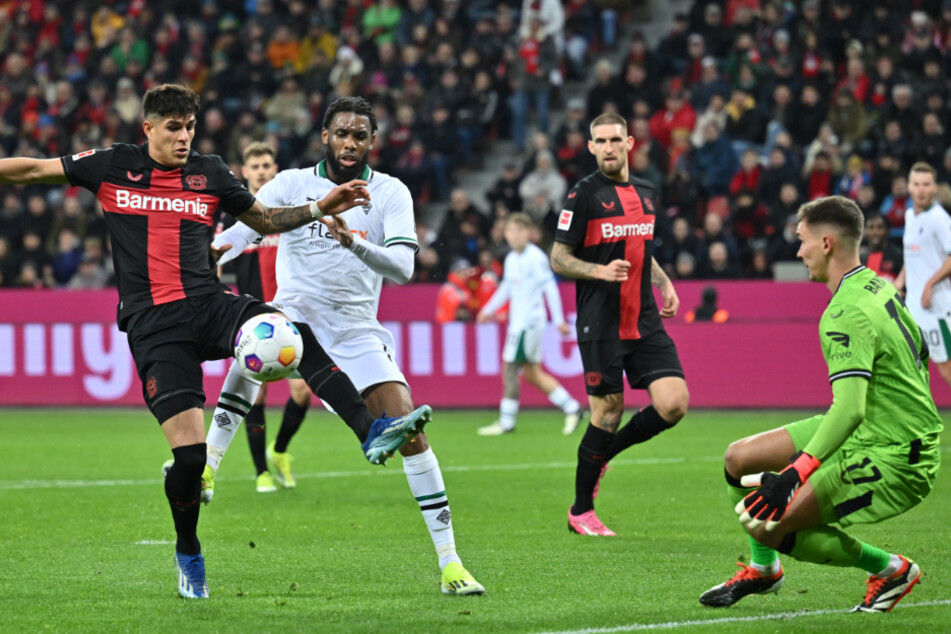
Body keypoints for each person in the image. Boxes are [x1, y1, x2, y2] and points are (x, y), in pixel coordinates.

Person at [0, 84, 431, 600]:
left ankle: (370, 431)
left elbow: (265, 221)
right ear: (149, 129)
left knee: (290, 332)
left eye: (190, 127)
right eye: (174, 128)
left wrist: (321, 206)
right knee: (188, 461)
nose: (184, 138)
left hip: (209, 304)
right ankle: (188, 551)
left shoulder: (211, 172)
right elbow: (30, 170)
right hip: (155, 326)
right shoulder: (112, 166)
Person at [204, 96, 484, 596]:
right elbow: (244, 232)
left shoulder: (391, 193)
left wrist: (351, 242)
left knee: (410, 433)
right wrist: (207, 256)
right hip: (294, 312)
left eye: (360, 135)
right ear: (325, 137)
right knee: (262, 336)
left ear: (372, 141)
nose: (350, 142)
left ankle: (451, 563)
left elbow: (402, 269)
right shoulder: (291, 183)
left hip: (356, 328)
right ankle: (208, 466)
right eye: (342, 133)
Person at [700, 195, 940, 613]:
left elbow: (850, 409)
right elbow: (918, 353)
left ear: (826, 243)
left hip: (899, 455)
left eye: (802, 240)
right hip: (872, 427)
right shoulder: (877, 283)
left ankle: (892, 569)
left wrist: (795, 472)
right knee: (739, 459)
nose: (798, 251)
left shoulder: (845, 312)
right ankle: (764, 571)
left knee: (766, 522)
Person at [550, 112, 689, 537]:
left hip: (644, 319)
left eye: (615, 139)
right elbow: (559, 257)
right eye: (600, 141)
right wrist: (598, 272)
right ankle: (581, 511)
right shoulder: (582, 196)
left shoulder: (647, 192)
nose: (608, 147)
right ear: (590, 147)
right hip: (601, 321)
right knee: (607, 412)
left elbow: (641, 248)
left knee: (674, 403)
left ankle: (608, 453)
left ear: (630, 143)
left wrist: (663, 283)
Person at [214, 142, 312, 494]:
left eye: (266, 164)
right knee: (255, 396)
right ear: (244, 171)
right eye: (253, 165)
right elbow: (216, 258)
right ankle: (261, 473)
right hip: (253, 315)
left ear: (275, 169)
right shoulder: (234, 214)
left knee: (302, 391)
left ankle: (280, 450)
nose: (260, 170)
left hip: (292, 311)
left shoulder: (288, 212)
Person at [475, 212, 584, 436]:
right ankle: (573, 408)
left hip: (527, 324)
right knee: (533, 373)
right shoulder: (512, 258)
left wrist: (559, 319)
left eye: (519, 231)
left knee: (510, 368)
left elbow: (550, 287)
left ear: (528, 233)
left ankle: (506, 422)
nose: (514, 236)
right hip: (522, 323)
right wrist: (488, 309)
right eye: (510, 231)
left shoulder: (535, 258)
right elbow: (507, 287)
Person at [896, 162, 951, 387]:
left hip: (937, 307)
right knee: (910, 366)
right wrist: (899, 282)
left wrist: (929, 285)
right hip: (914, 307)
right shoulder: (910, 216)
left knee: (946, 367)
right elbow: (912, 257)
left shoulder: (939, 219)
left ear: (935, 187)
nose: (921, 190)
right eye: (917, 184)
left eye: (926, 184)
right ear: (909, 186)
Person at [860, 212, 902, 283]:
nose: (875, 232)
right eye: (871, 227)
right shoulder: (861, 258)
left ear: (887, 230)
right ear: (865, 231)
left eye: (880, 227)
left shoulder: (897, 256)